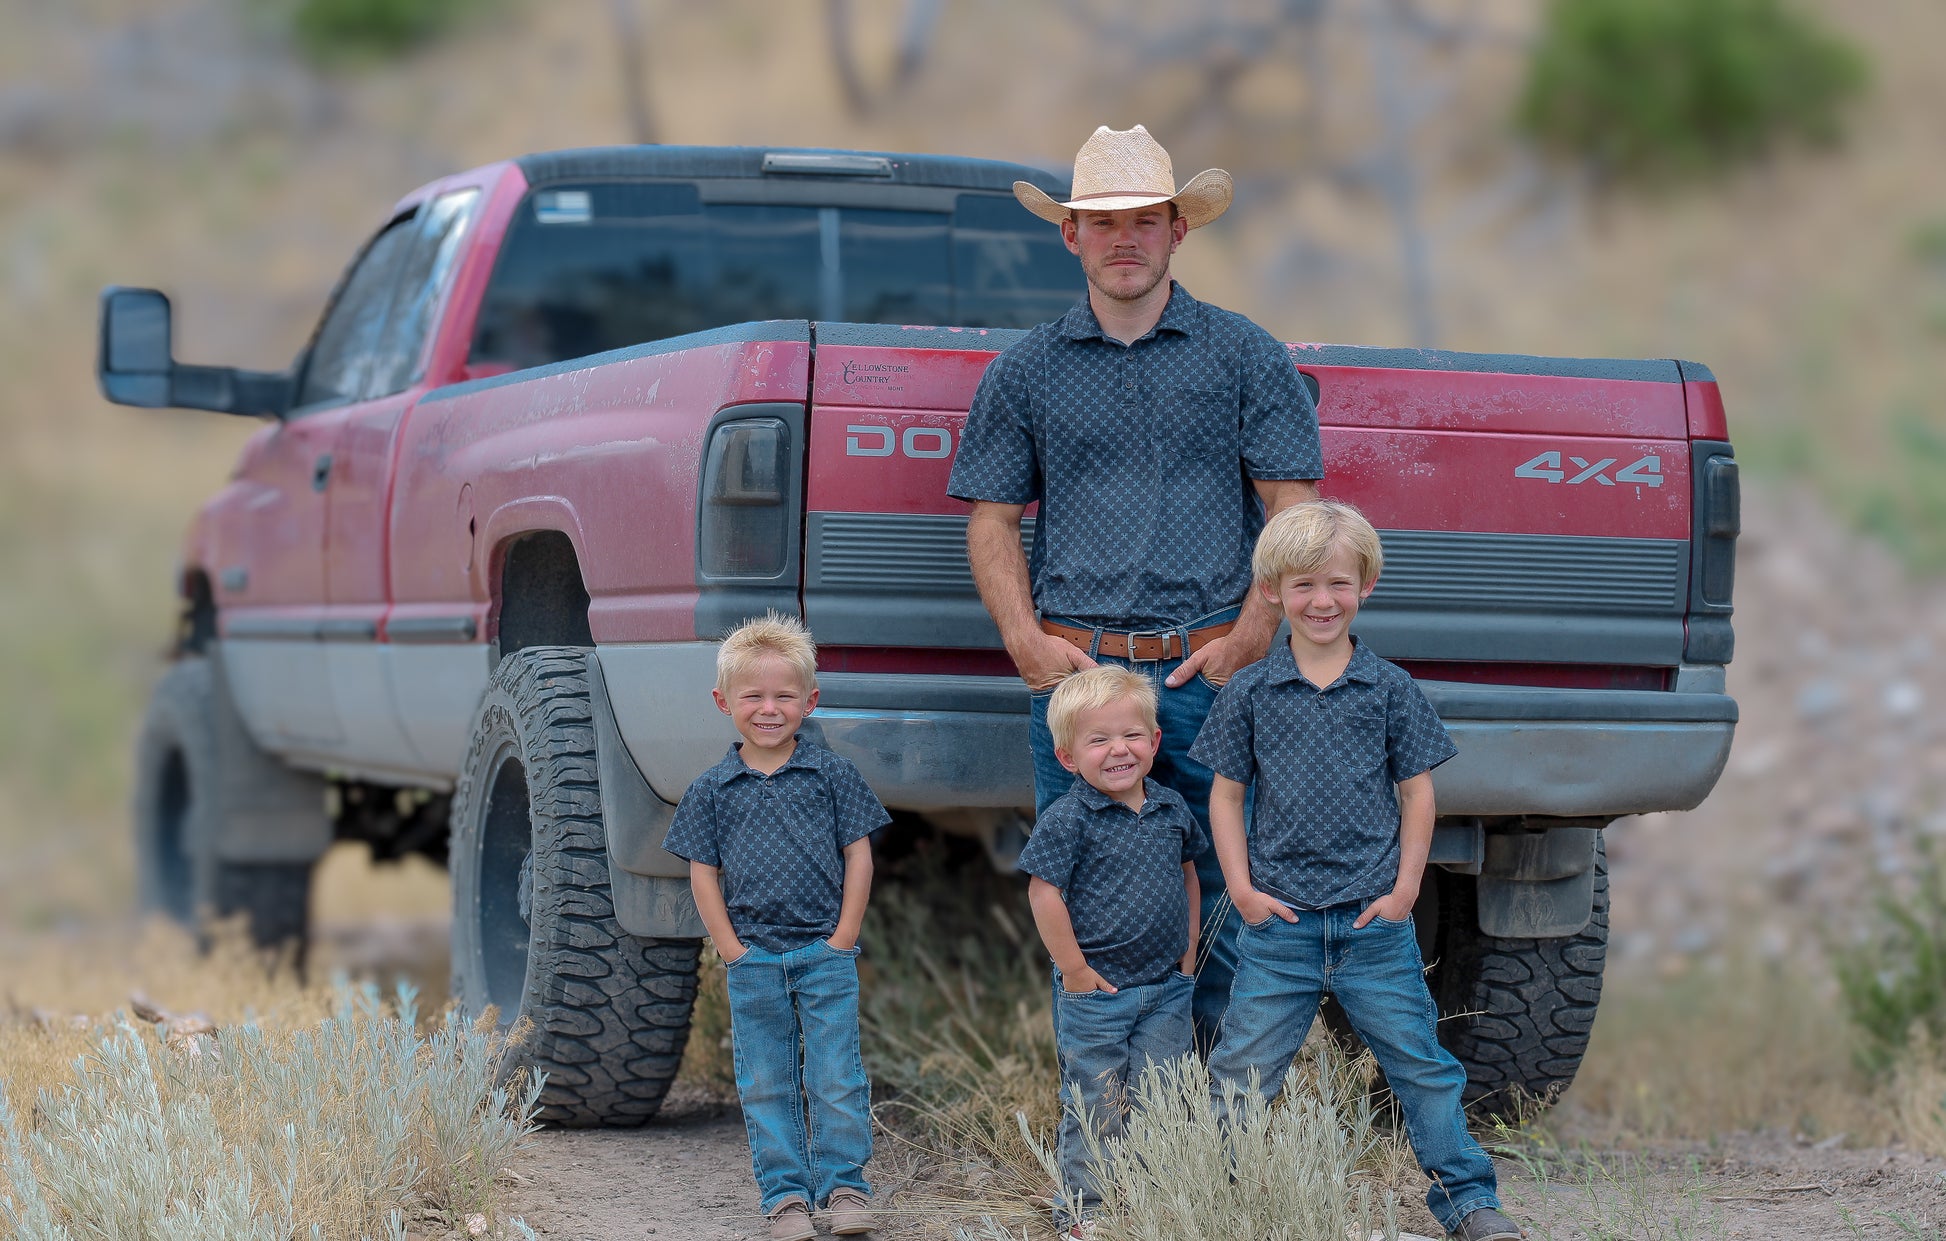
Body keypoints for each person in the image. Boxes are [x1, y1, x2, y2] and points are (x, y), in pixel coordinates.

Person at [947, 124, 1323, 1048]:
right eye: (1102, 222)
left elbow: (1294, 507)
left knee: (1234, 892)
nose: (1125, 239)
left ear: (1177, 232)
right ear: (1070, 235)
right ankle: (1105, 1135)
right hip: (1076, 678)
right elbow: (990, 520)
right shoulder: (1027, 369)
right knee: (1084, 898)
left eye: (1144, 221)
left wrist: (1249, 638)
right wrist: (1027, 644)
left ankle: (1212, 1127)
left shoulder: (1243, 355)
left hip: (1209, 674)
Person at [1190, 501, 1523, 1241]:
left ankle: (1468, 1200)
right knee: (1241, 1075)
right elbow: (1226, 793)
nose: (1322, 600)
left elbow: (1418, 790)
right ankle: (1213, 1198)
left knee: (1422, 1067)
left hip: (1374, 923)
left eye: (1338, 583)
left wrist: (1406, 888)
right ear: (1273, 590)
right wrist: (1241, 889)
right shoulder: (1249, 690)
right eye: (1304, 585)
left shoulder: (1390, 688)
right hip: (1280, 927)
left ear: (1365, 584)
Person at [661, 613, 891, 1241]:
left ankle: (844, 1187)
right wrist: (730, 948)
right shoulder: (711, 790)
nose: (769, 709)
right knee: (765, 1082)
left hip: (825, 952)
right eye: (753, 696)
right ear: (723, 702)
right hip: (753, 958)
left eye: (784, 695)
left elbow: (860, 855)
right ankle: (785, 1198)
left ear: (809, 701)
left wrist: (843, 936)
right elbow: (702, 874)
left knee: (836, 1075)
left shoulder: (832, 775)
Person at [1015, 666, 1208, 1238]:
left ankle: (1147, 1200)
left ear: (1154, 742)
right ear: (1069, 757)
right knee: (1096, 1101)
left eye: (1129, 736)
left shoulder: (1171, 808)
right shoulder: (1069, 818)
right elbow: (1042, 890)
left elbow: (1190, 875)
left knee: (1161, 1095)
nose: (1117, 750)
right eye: (1098, 740)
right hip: (1098, 994)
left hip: (1167, 989)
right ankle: (1087, 1211)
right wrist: (1073, 968)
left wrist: (1190, 950)